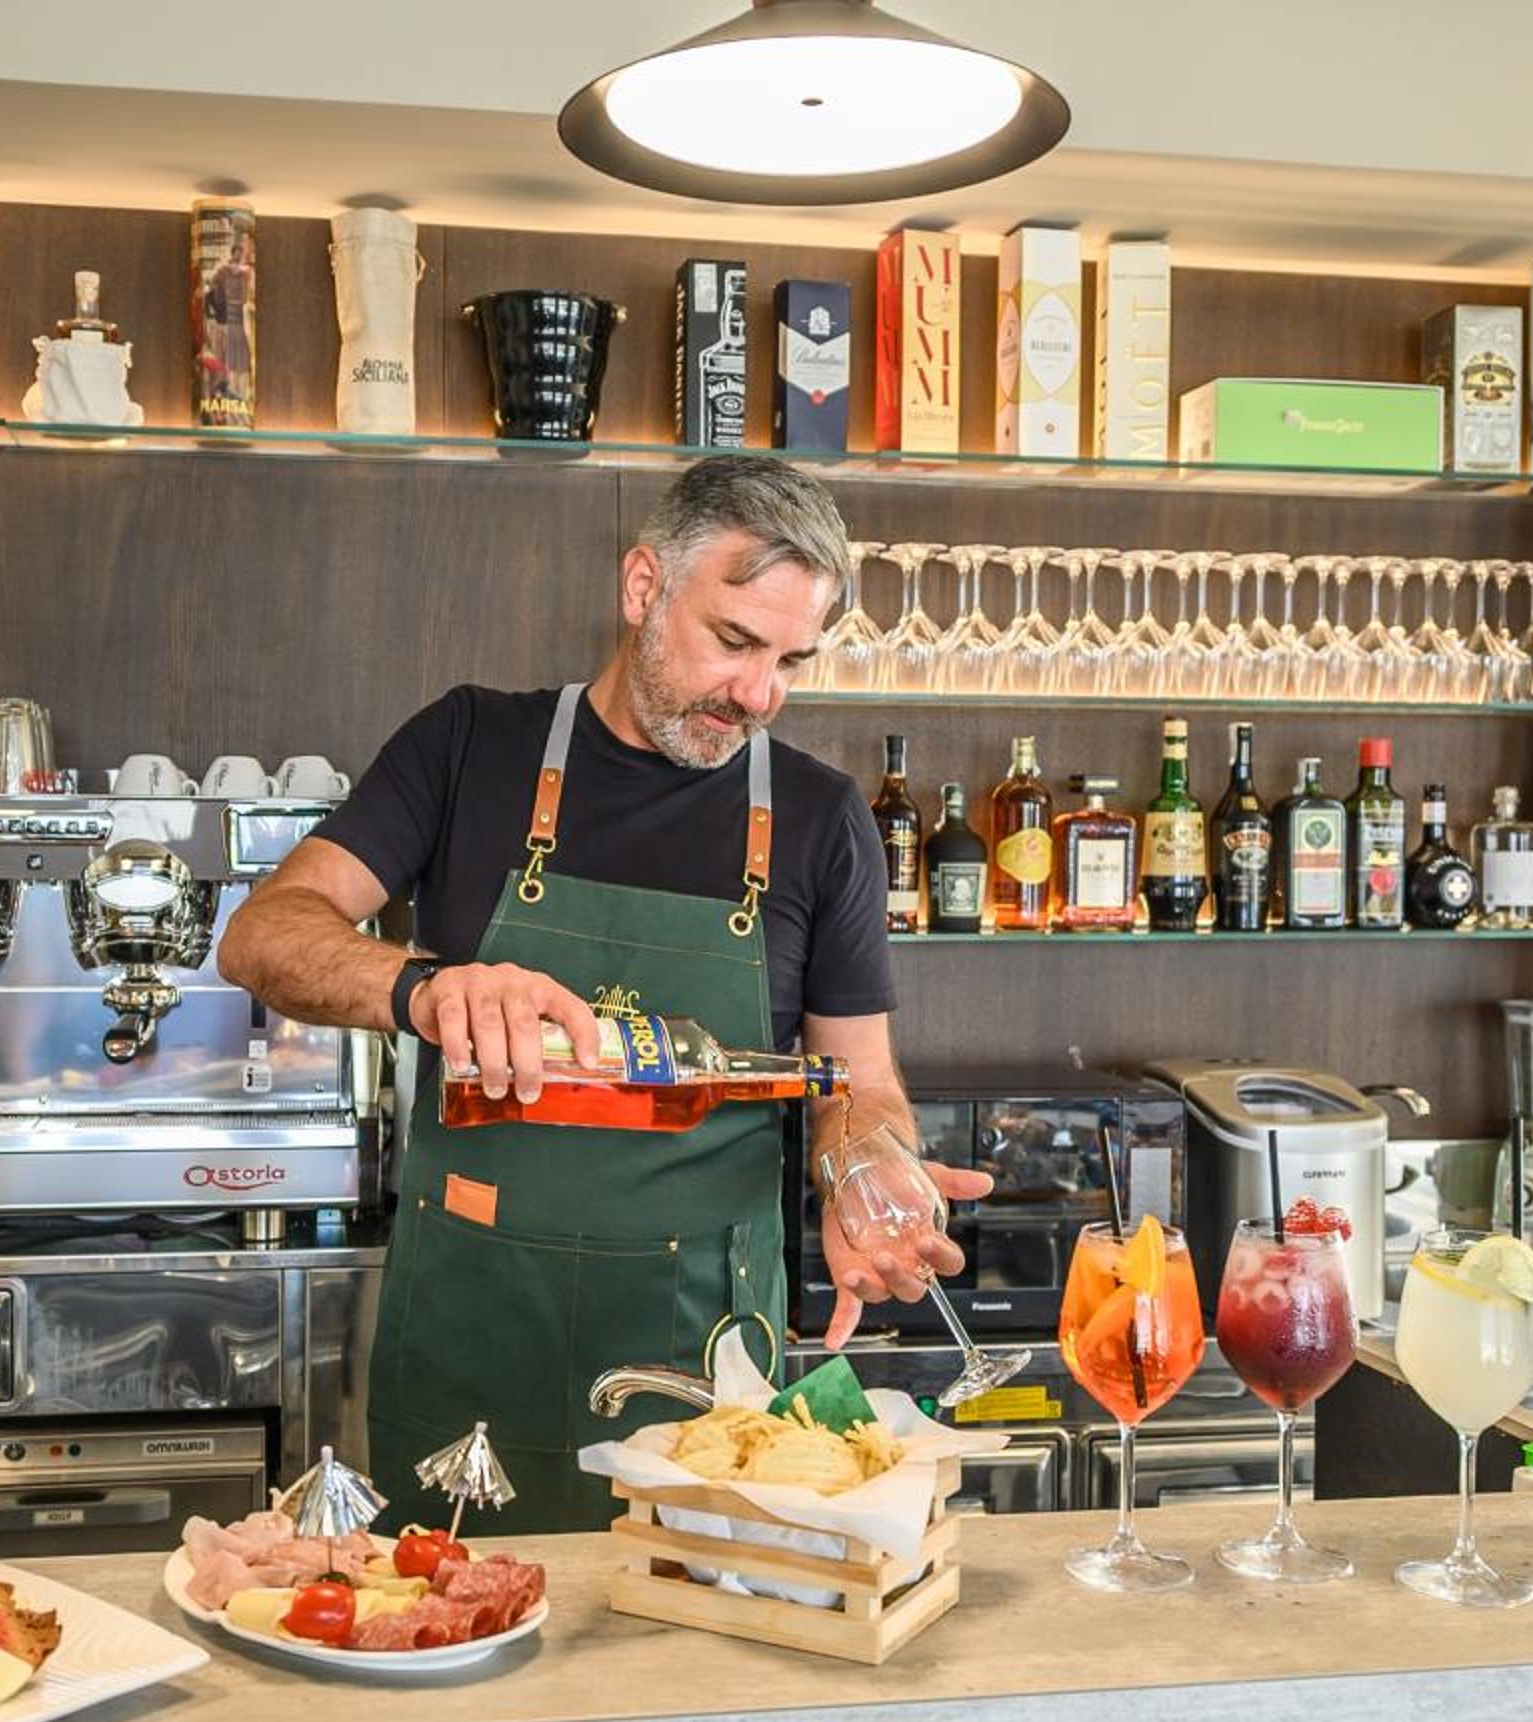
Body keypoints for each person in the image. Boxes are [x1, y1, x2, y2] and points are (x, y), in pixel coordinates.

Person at [218, 456, 983, 1531]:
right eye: (734, 641)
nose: (759, 695)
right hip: (472, 1335)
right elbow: (262, 935)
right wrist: (424, 989)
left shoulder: (821, 819)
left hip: (704, 1364)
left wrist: (863, 1163)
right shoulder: (469, 745)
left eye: (790, 661)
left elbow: (856, 1082)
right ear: (642, 587)